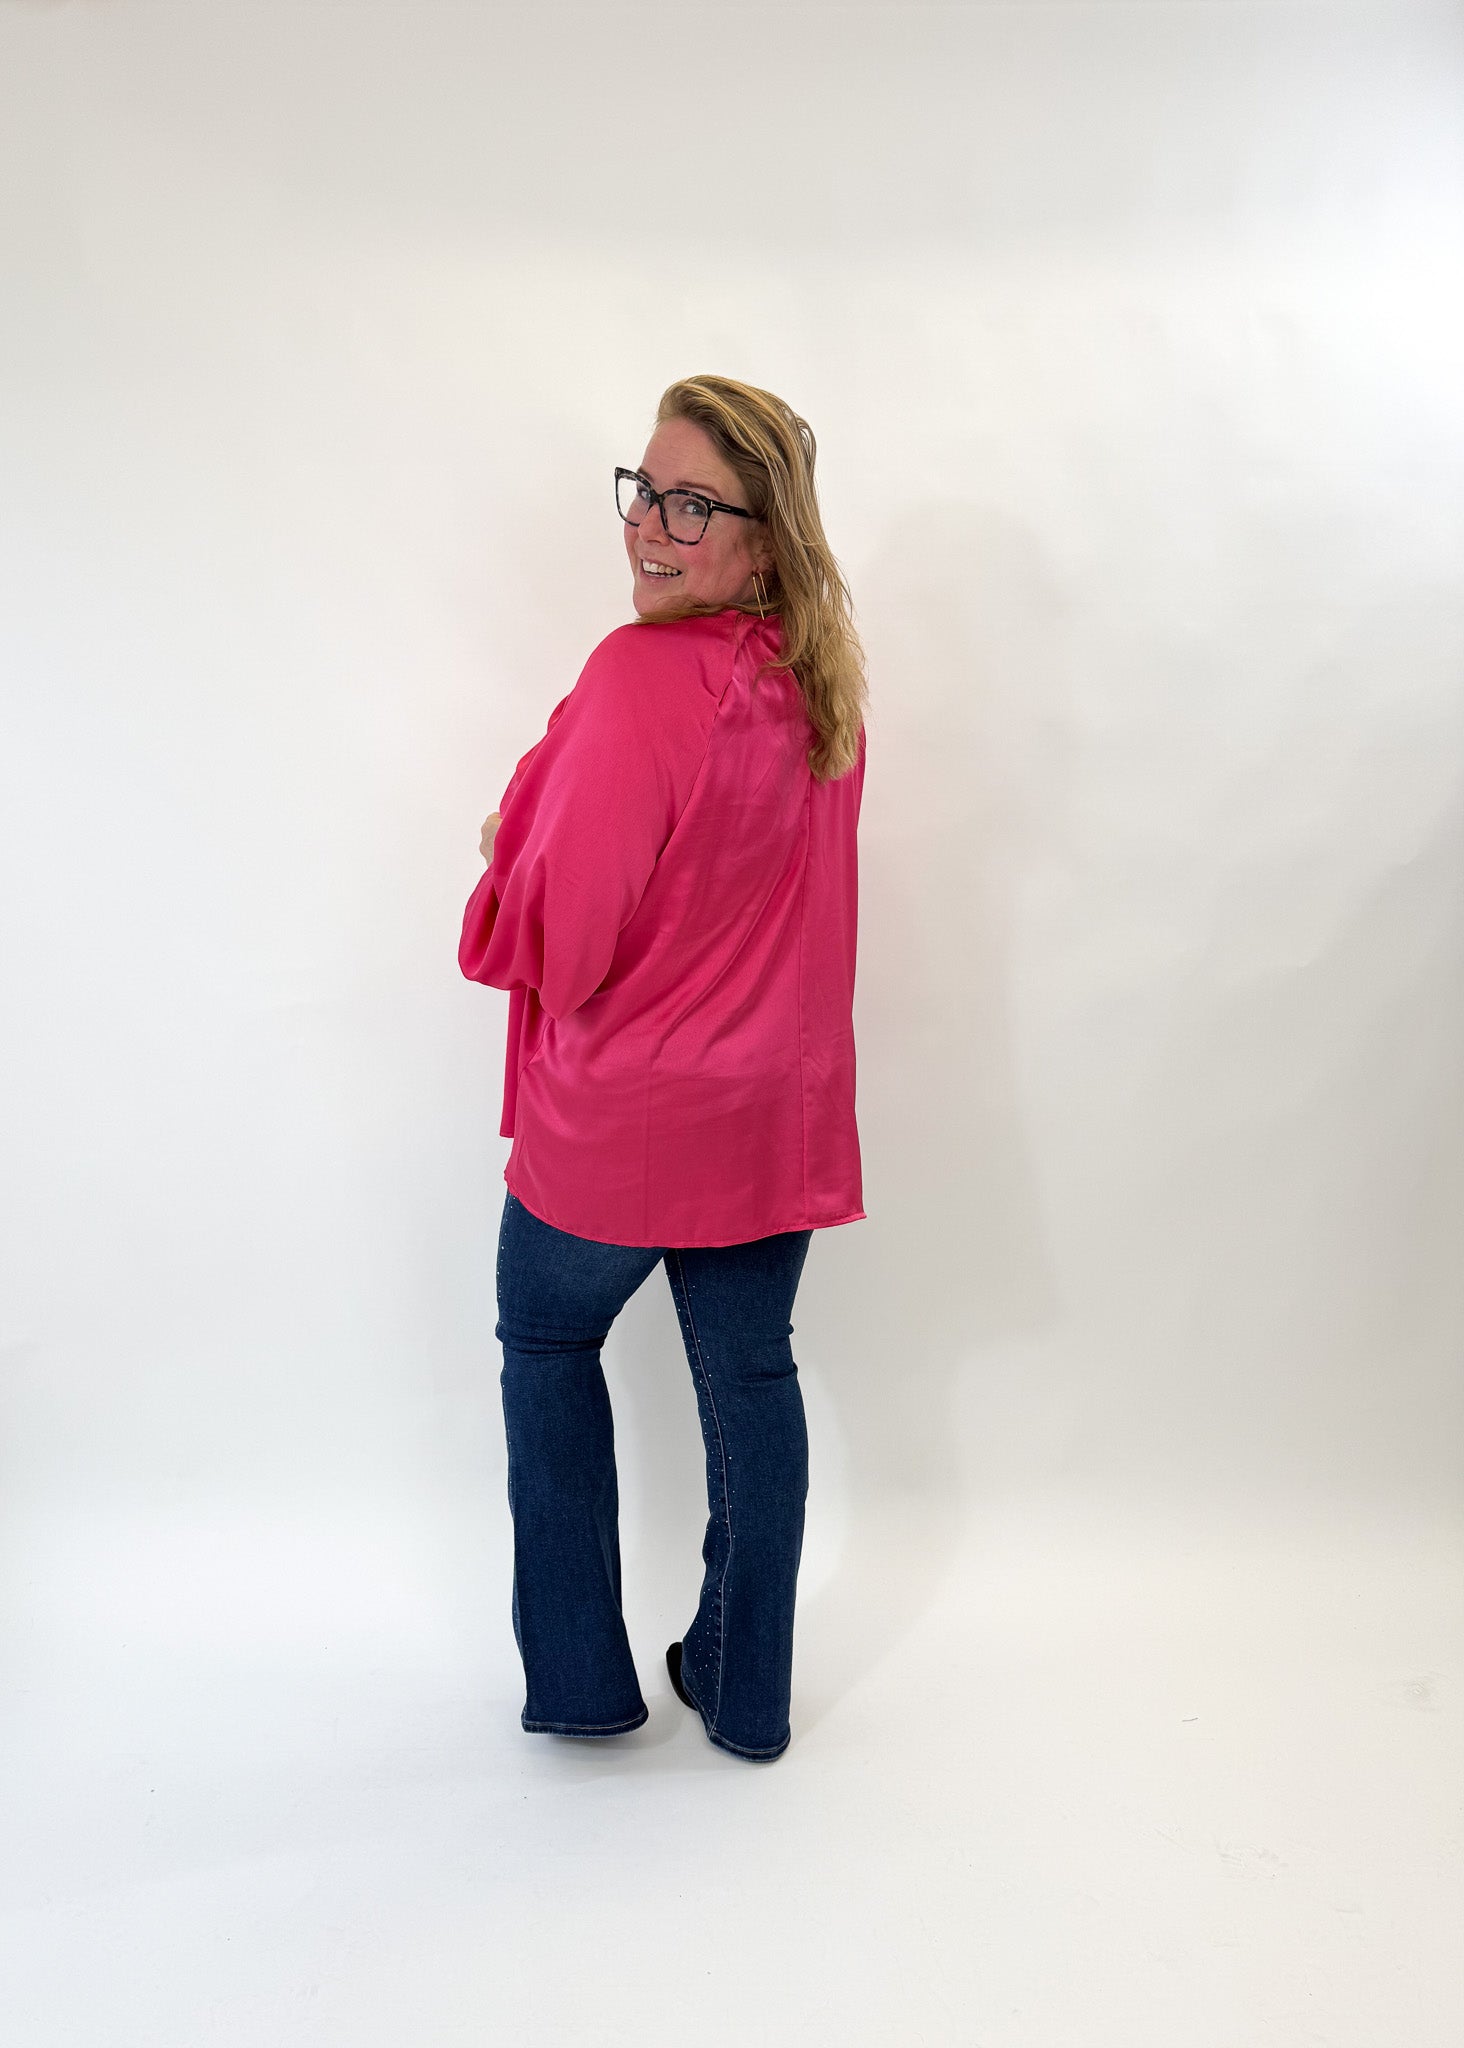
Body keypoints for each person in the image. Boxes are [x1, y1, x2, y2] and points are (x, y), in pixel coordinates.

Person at [458, 373, 869, 1763]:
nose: (651, 525)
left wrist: (501, 863)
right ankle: (746, 1694)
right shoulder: (824, 688)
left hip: (623, 1121)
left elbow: (563, 941)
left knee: (546, 1341)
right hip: (767, 1120)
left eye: (696, 505)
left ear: (766, 536)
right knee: (752, 1380)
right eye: (645, 490)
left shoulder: (641, 678)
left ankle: (582, 1682)